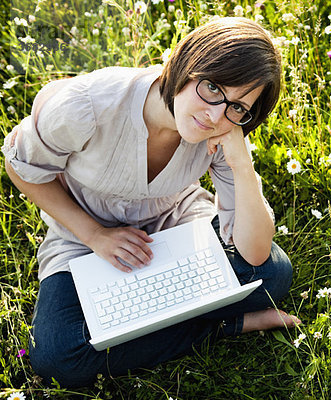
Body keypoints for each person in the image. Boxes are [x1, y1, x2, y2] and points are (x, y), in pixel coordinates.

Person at [2, 16, 301, 388]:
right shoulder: (87, 106)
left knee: (273, 275)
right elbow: (22, 168)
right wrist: (95, 235)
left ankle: (160, 312)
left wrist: (241, 164)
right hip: (82, 237)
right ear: (185, 64)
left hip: (175, 219)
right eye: (212, 87)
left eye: (239, 107)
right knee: (58, 356)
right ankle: (226, 324)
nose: (215, 115)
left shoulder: (223, 131)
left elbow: (255, 254)